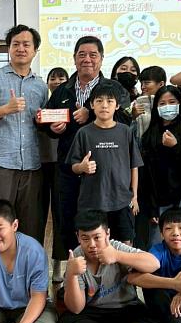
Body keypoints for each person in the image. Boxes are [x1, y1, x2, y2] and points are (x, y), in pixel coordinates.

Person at [41, 36, 131, 267]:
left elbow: (125, 119)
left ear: (101, 59)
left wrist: (90, 114)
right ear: (74, 58)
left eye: (93, 55)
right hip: (69, 167)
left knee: (106, 222)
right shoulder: (62, 90)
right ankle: (73, 269)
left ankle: (110, 271)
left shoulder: (114, 89)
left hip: (104, 170)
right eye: (82, 54)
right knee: (69, 218)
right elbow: (46, 121)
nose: (87, 59)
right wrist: (52, 128)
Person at [0, 25, 48, 243]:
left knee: (31, 225)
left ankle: (28, 265)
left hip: (31, 164)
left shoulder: (40, 86)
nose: (21, 48)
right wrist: (5, 109)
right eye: (16, 44)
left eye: (26, 44)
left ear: (35, 50)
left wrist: (51, 124)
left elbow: (41, 123)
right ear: (9, 48)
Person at [58, 210, 164, 323]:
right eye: (85, 238)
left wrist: (117, 256)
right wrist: (72, 275)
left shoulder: (116, 247)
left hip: (126, 308)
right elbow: (76, 308)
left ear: (107, 233)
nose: (92, 245)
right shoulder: (76, 257)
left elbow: (154, 263)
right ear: (78, 237)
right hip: (93, 313)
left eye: (97, 237)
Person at [68, 82, 143, 246]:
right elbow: (73, 166)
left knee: (125, 243)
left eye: (110, 101)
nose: (104, 105)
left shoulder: (125, 131)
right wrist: (82, 167)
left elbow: (134, 166)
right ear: (92, 105)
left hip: (122, 200)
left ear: (117, 106)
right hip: (92, 201)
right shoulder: (84, 133)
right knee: (94, 243)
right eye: (99, 101)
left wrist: (135, 196)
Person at [137, 85, 181, 250]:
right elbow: (147, 175)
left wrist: (176, 146)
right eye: (162, 103)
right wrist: (151, 207)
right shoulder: (150, 134)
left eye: (172, 102)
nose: (167, 107)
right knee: (157, 245)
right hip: (158, 201)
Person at [39, 67, 69, 281]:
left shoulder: (70, 105)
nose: (57, 81)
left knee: (60, 216)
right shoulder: (41, 106)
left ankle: (59, 263)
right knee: (37, 217)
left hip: (62, 166)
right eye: (53, 78)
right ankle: (37, 264)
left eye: (61, 78)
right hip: (39, 166)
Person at [134, 66, 168, 137]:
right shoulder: (135, 104)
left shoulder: (172, 103)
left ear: (161, 84)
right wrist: (133, 116)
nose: (142, 87)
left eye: (147, 83)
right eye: (141, 83)